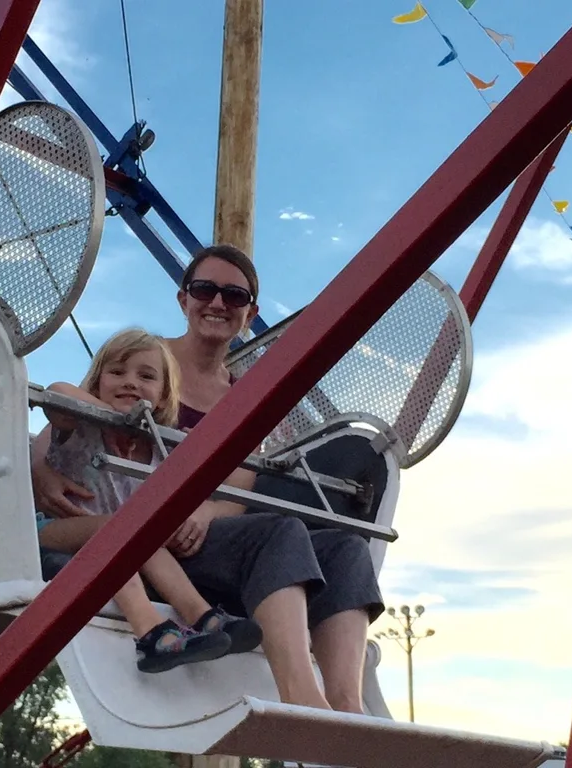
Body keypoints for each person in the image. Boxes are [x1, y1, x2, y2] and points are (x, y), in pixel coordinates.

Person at [32, 246, 384, 712]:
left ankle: (346, 706)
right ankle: (301, 697)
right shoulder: (143, 365)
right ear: (184, 299)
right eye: (205, 289)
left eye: (234, 296)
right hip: (139, 531)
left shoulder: (245, 396)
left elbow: (241, 482)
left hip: (191, 530)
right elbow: (66, 420)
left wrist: (204, 511)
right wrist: (39, 474)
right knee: (277, 533)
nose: (217, 303)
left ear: (249, 313)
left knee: (347, 549)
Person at [35, 328, 262, 674]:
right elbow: (57, 392)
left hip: (119, 542)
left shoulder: (158, 450)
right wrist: (118, 421)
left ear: (163, 395)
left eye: (146, 376)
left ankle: (203, 617)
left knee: (145, 537)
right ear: (97, 384)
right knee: (121, 529)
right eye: (116, 372)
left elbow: (219, 466)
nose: (130, 382)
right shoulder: (79, 426)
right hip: (51, 533)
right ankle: (150, 633)